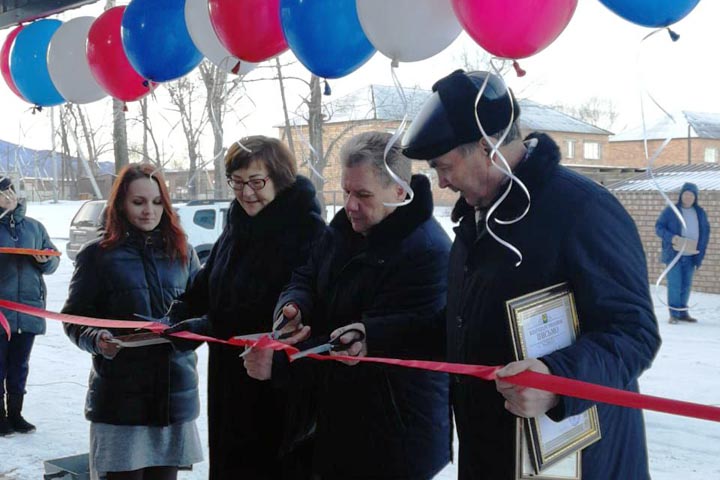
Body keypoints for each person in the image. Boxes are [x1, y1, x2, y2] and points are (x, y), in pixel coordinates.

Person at [401, 70, 661, 479]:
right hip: (495, 454)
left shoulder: (582, 210)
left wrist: (558, 379)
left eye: (444, 166)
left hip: (578, 463)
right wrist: (374, 335)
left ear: (487, 148)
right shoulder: (478, 217)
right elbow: (462, 326)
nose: (442, 182)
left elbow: (633, 334)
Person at [244, 131, 452, 480]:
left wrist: (280, 364)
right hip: (339, 422)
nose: (350, 205)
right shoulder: (345, 228)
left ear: (400, 191)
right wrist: (293, 308)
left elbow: (367, 346)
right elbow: (306, 276)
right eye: (346, 192)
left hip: (394, 434)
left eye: (363, 195)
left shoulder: (426, 252)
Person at [164, 136, 326, 479]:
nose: (245, 192)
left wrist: (212, 326)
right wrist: (181, 313)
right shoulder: (238, 226)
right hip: (229, 386)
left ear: (280, 178)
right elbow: (207, 285)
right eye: (236, 182)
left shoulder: (308, 233)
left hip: (279, 394)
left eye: (256, 182)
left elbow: (299, 313)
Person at [62, 164, 203, 480]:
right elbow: (73, 319)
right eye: (138, 202)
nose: (148, 211)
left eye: (156, 202)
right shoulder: (96, 256)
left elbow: (202, 315)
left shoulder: (184, 252)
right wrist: (97, 338)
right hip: (121, 402)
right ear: (121, 205)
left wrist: (189, 330)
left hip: (173, 399)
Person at [0, 176, 59, 436]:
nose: (7, 196)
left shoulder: (34, 227)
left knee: (20, 365)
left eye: (9, 190)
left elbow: (52, 260)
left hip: (29, 309)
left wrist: (45, 260)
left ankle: (15, 413)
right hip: (1, 312)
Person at [655, 182, 710, 323]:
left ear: (695, 197)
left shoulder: (700, 212)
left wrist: (701, 249)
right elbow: (659, 227)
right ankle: (674, 314)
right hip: (674, 255)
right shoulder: (671, 210)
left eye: (691, 194)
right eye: (686, 194)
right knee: (675, 284)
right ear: (681, 195)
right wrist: (671, 237)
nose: (688, 197)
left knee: (686, 285)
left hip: (691, 255)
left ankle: (683, 312)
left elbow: (705, 231)